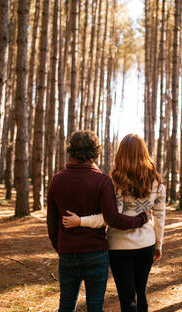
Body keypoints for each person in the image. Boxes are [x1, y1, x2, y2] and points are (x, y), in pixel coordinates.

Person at [47, 130, 149, 312]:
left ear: (70, 151)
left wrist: (59, 246)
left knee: (66, 306)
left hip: (67, 252)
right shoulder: (102, 181)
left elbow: (52, 222)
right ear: (95, 153)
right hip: (95, 253)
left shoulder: (57, 180)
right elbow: (113, 219)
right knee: (95, 306)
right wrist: (141, 219)